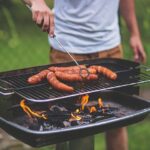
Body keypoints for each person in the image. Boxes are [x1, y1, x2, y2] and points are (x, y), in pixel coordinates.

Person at [23, 0, 146, 150]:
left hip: (110, 47)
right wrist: (36, 2)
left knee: (117, 123)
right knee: (67, 127)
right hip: (67, 49)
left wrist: (134, 33)